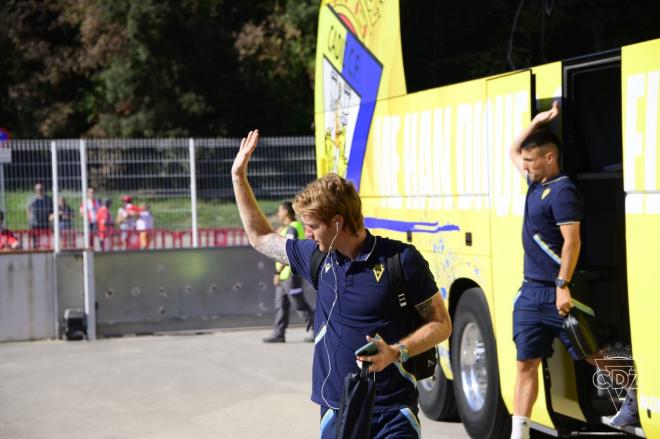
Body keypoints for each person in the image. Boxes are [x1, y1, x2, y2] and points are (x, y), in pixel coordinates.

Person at [232, 130, 452, 438]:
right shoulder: (318, 258)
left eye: (312, 226)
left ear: (337, 222)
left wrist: (396, 351)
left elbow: (441, 324)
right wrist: (238, 176)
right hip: (338, 410)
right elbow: (260, 238)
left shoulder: (400, 260)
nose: (306, 234)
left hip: (393, 411)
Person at [508, 102, 638, 438]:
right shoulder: (534, 184)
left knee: (591, 352)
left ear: (549, 159)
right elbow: (512, 149)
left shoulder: (563, 192)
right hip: (529, 292)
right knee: (525, 363)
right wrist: (536, 121)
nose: (526, 167)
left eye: (532, 161)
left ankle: (634, 393)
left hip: (558, 290)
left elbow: (572, 243)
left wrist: (563, 285)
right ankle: (518, 434)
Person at [263, 201, 315, 343]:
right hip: (284, 275)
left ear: (286, 212)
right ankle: (279, 333)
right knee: (281, 305)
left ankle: (317, 329)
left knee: (299, 303)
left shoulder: (292, 228)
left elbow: (288, 254)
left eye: (279, 211)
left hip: (290, 275)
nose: (278, 214)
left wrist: (277, 273)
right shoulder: (289, 228)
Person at [26, 182, 53, 249]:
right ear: (35, 190)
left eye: (41, 189)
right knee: (35, 238)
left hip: (45, 221)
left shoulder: (48, 199)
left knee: (45, 238)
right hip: (35, 222)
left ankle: (46, 248)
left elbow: (52, 209)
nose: (39, 190)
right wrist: (29, 218)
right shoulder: (32, 199)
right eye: (38, 189)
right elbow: (28, 209)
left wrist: (50, 216)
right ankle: (35, 248)